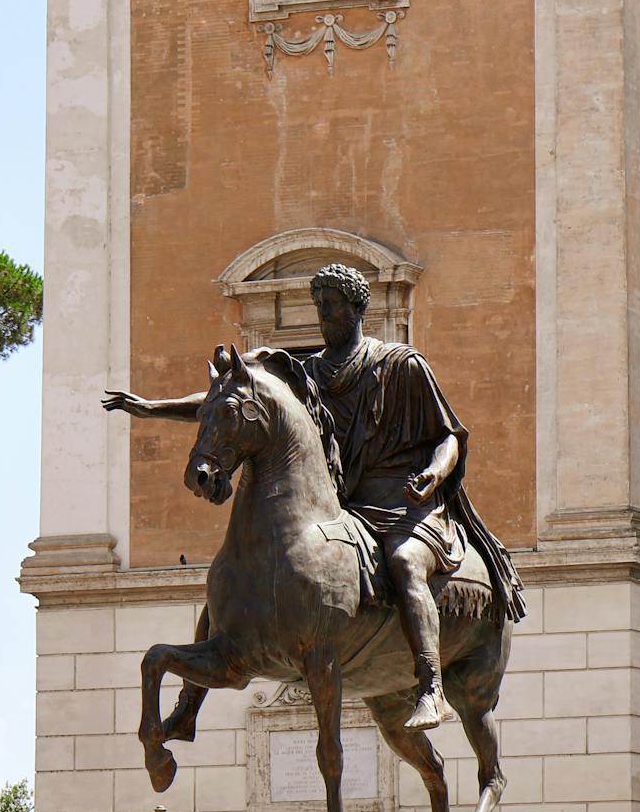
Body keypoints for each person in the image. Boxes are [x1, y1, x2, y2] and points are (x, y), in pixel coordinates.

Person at [103, 263, 521, 729]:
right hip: (347, 504)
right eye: (319, 306)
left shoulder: (401, 364)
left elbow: (450, 437)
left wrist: (431, 474)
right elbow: (227, 403)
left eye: (332, 306)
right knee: (234, 586)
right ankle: (189, 705)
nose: (324, 315)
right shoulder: (312, 374)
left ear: (357, 308)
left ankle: (430, 686)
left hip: (407, 502)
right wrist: (152, 408)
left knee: (404, 564)